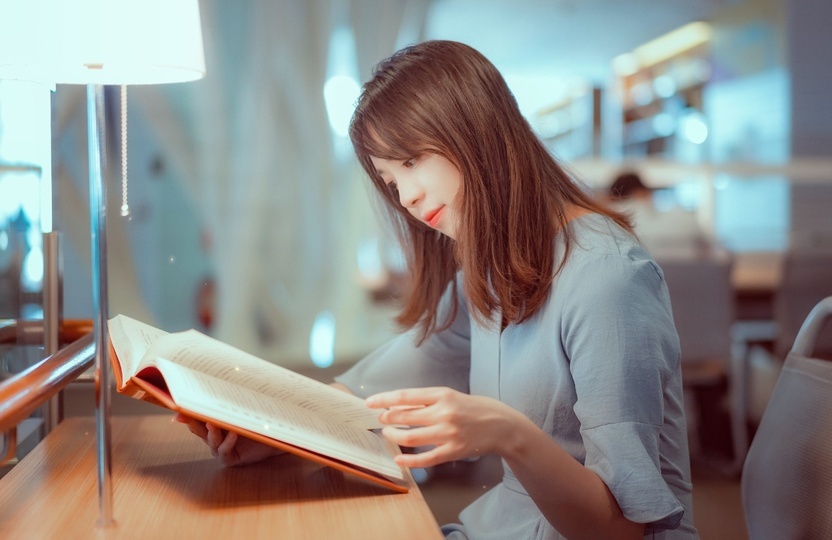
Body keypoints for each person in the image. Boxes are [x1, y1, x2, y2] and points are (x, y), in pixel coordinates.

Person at [178, 40, 697, 539]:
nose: (406, 195)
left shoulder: (605, 276)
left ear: (475, 130)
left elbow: (622, 530)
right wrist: (274, 435)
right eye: (390, 180)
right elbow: (369, 392)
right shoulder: (492, 269)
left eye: (411, 162)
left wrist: (508, 434)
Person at [605, 170, 709, 260]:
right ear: (644, 193)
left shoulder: (607, 223)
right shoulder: (684, 217)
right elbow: (706, 250)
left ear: (611, 196)